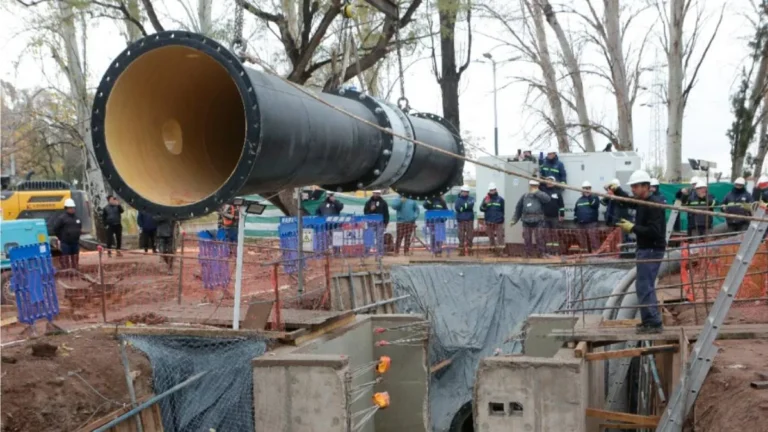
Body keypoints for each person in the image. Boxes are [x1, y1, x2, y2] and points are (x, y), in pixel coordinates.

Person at [615, 170, 666, 334]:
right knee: (643, 285)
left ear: (646, 186)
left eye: (635, 186)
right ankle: (649, 321)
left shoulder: (653, 205)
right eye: (632, 187)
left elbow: (655, 231)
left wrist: (633, 228)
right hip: (646, 248)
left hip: (651, 249)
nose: (633, 190)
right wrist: (617, 191)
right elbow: (629, 202)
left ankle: (653, 322)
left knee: (645, 286)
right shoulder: (644, 202)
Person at [511, 180, 551, 257]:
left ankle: (541, 253)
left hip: (538, 220)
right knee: (527, 238)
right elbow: (518, 208)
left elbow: (547, 199)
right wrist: (514, 219)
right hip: (526, 220)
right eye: (532, 185)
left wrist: (537, 192)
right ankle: (527, 253)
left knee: (539, 238)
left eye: (535, 186)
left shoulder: (541, 195)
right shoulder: (525, 196)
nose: (533, 187)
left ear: (538, 186)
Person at [53, 198, 82, 273]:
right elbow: (56, 229)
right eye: (70, 208)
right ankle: (67, 272)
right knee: (66, 258)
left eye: (73, 208)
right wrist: (61, 237)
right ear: (66, 208)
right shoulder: (62, 218)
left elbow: (79, 227)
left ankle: (75, 270)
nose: (72, 209)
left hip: (75, 242)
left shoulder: (77, 218)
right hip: (66, 243)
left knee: (75, 258)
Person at [539, 176, 565, 255]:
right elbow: (537, 183)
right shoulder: (543, 190)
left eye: (551, 181)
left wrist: (561, 215)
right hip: (545, 217)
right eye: (548, 181)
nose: (549, 182)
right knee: (547, 235)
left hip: (555, 217)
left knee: (555, 234)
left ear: (554, 182)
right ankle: (549, 251)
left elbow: (561, 205)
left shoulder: (558, 192)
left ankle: (556, 251)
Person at [574, 181, 601, 252]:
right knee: (582, 240)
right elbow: (576, 210)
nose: (586, 190)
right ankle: (584, 253)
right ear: (582, 189)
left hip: (591, 223)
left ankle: (596, 254)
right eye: (585, 188)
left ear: (590, 189)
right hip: (580, 224)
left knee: (594, 239)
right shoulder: (579, 200)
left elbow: (595, 205)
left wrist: (590, 196)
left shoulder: (594, 197)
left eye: (588, 188)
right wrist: (576, 219)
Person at [480, 183, 506, 255]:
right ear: (489, 190)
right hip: (489, 221)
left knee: (500, 237)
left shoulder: (500, 199)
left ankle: (501, 251)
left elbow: (504, 210)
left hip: (498, 221)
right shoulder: (486, 199)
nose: (492, 191)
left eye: (493, 190)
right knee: (491, 237)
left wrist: (501, 218)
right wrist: (485, 204)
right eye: (491, 190)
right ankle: (493, 251)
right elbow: (481, 209)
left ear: (495, 190)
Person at [363, 190, 389, 254]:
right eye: (375, 193)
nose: (376, 194)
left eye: (378, 193)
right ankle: (366, 252)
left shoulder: (383, 202)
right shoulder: (368, 202)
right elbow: (365, 212)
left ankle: (380, 253)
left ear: (380, 194)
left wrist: (386, 222)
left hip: (380, 222)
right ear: (373, 193)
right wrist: (370, 210)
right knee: (369, 237)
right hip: (370, 222)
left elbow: (386, 213)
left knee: (379, 238)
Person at [454, 185, 475, 256]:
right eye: (464, 191)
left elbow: (470, 205)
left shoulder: (471, 199)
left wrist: (462, 207)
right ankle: (461, 251)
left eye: (467, 192)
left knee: (470, 236)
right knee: (461, 236)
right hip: (461, 220)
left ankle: (470, 250)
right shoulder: (458, 200)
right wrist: (465, 206)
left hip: (469, 220)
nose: (465, 193)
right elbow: (457, 208)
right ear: (461, 192)